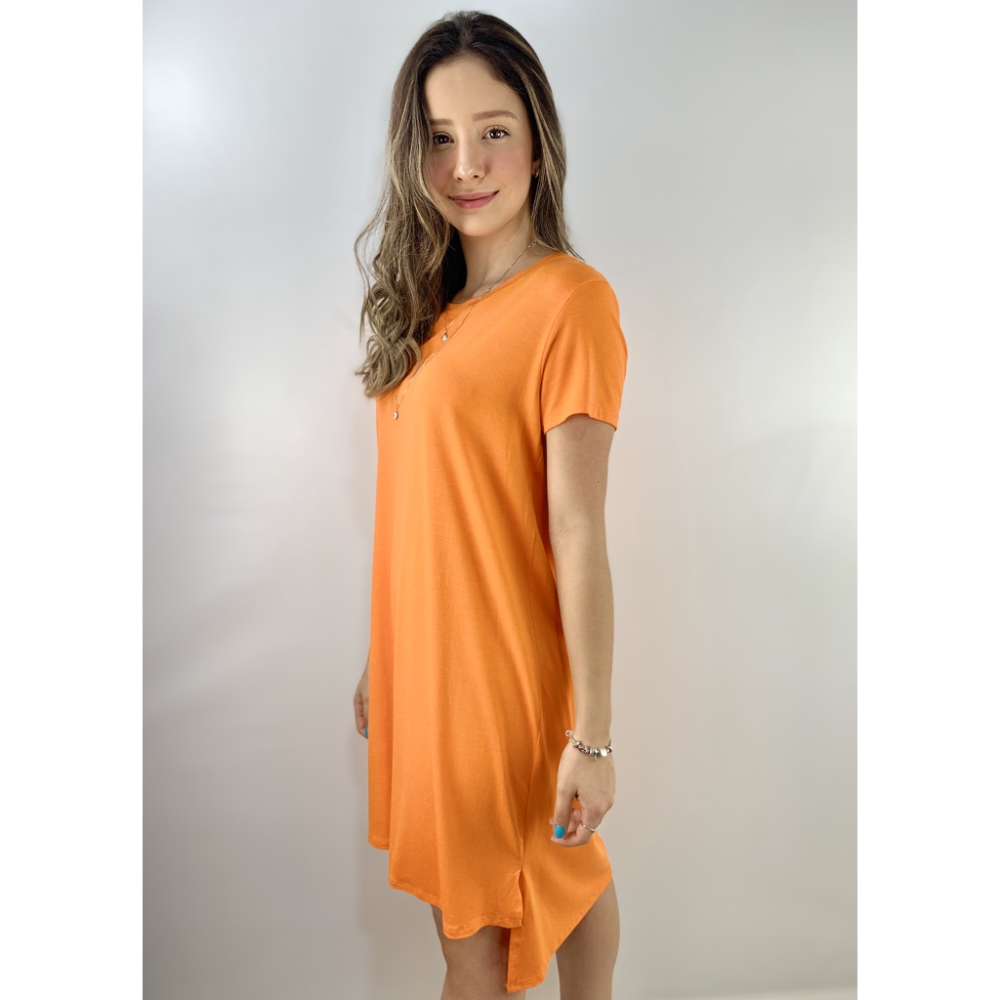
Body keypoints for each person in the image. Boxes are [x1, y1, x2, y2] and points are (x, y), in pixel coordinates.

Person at [351, 12, 627, 999]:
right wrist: (384, 654)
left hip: (498, 676)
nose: (465, 164)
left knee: (480, 939)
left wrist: (592, 737)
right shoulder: (431, 311)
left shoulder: (570, 301)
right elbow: (425, 509)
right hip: (425, 670)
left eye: (493, 131)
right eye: (438, 136)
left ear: (538, 141)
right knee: (559, 869)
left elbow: (578, 529)